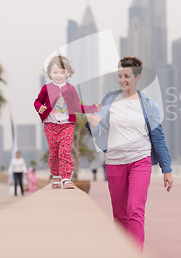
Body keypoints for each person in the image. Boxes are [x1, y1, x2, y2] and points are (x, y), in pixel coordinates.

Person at [85, 56, 173, 252]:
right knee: (119, 215)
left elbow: (158, 137)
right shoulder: (109, 99)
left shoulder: (149, 105)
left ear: (138, 77)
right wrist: (93, 124)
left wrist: (166, 168)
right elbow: (100, 133)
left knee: (135, 210)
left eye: (127, 76)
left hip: (139, 161)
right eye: (119, 76)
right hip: (114, 162)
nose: (123, 80)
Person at [34, 55, 101, 189]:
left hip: (67, 126)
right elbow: (37, 101)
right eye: (55, 72)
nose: (59, 75)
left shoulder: (70, 89)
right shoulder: (46, 88)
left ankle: (66, 178)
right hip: (50, 126)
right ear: (49, 74)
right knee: (54, 153)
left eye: (62, 72)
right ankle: (56, 176)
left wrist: (92, 108)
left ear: (68, 73)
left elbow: (77, 107)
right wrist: (39, 107)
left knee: (64, 151)